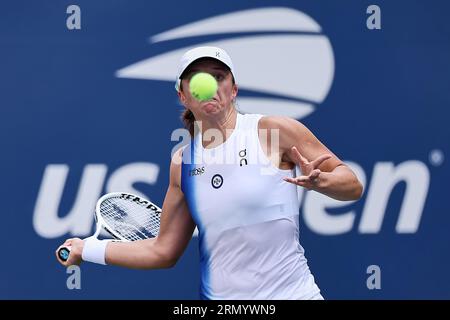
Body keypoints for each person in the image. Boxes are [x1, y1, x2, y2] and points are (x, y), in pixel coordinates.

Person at [56, 46, 363, 300]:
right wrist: (89, 249)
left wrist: (321, 181)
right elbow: (162, 251)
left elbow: (352, 185)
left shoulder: (273, 131)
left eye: (219, 76)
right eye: (198, 79)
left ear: (234, 89)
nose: (210, 86)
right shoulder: (183, 163)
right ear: (183, 96)